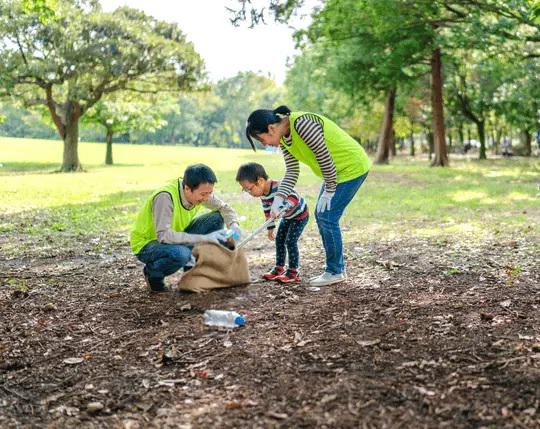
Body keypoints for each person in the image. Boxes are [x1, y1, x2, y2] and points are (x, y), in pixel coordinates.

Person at [245, 106, 371, 287]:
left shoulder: (302, 124)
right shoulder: (285, 140)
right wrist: (278, 199)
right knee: (323, 216)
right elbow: (292, 171)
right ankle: (335, 269)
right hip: (335, 173)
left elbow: (324, 157)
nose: (265, 144)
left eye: (261, 139)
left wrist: (329, 190)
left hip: (351, 167)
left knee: (327, 217)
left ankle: (335, 271)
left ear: (271, 128)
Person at [130, 164, 241, 293]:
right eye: (204, 194)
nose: (207, 198)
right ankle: (153, 274)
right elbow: (164, 236)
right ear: (187, 188)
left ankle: (192, 275)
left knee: (217, 218)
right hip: (148, 243)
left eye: (210, 193)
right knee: (181, 254)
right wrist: (204, 238)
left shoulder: (200, 192)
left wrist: (234, 226)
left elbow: (224, 208)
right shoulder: (165, 197)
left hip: (177, 235)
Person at [236, 162, 309, 283]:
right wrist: (270, 229)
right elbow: (267, 212)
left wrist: (284, 206)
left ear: (259, 181)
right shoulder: (263, 194)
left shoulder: (280, 186)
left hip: (299, 216)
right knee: (279, 240)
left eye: (249, 189)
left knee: (290, 241)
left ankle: (293, 272)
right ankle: (279, 267)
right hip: (287, 217)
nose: (249, 193)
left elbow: (295, 196)